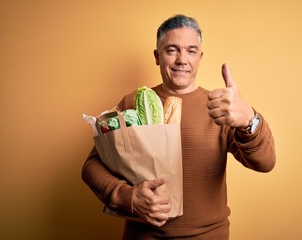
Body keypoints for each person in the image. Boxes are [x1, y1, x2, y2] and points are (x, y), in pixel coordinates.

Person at [82, 14, 276, 239]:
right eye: (171, 50)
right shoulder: (133, 103)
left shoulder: (221, 106)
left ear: (200, 57)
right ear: (157, 56)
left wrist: (250, 119)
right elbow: (91, 166)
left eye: (191, 51)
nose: (182, 59)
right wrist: (127, 197)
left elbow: (266, 162)